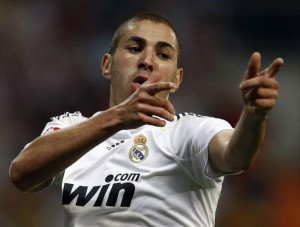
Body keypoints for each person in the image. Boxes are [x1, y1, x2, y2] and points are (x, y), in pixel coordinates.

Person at [9, 12, 284, 227]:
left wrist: (253, 115)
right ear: (107, 65)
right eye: (134, 48)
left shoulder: (189, 132)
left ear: (176, 79)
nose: (147, 61)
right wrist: (116, 118)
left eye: (163, 55)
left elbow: (236, 155)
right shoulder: (72, 128)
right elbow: (22, 174)